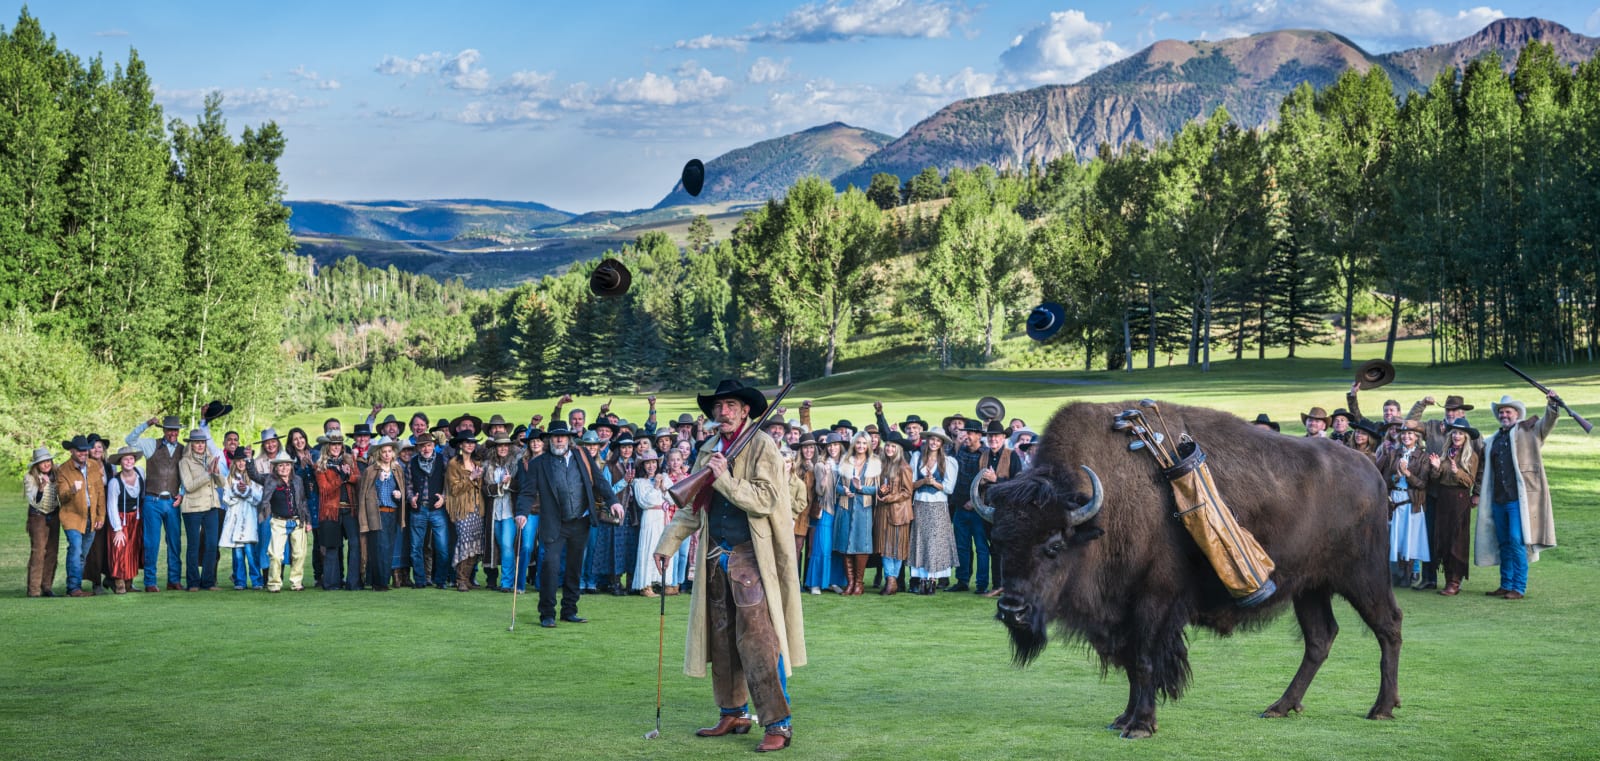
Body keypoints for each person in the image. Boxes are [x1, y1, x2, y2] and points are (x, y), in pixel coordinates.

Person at [652, 378, 805, 753]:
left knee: (760, 642)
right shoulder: (708, 448)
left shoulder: (762, 444)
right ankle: (733, 711)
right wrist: (667, 544)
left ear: (745, 410)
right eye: (719, 407)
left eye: (731, 406)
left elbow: (766, 499)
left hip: (753, 555)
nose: (723, 412)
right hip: (715, 556)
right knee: (720, 640)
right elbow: (692, 505)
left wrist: (725, 480)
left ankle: (778, 724)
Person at [514, 422, 608, 628]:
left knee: (574, 568)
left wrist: (615, 501)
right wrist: (521, 513)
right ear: (549, 439)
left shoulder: (581, 455)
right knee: (550, 567)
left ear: (568, 438)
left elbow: (600, 481)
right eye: (555, 437)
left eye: (563, 436)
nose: (559, 440)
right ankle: (547, 614)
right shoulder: (539, 463)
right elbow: (528, 492)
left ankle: (569, 611)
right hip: (554, 523)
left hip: (580, 521)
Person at [1475, 393, 1561, 600]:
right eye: (1501, 412)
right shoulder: (1493, 440)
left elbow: (1547, 422)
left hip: (1518, 500)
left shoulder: (1530, 431)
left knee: (1516, 540)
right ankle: (1505, 584)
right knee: (1503, 541)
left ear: (1516, 414)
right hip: (1498, 499)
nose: (1504, 415)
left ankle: (1518, 587)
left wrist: (1552, 404)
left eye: (1508, 411)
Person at [125, 415, 185, 592]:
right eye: (169, 430)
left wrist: (182, 493)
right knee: (151, 543)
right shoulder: (152, 444)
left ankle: (173, 580)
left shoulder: (183, 449)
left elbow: (189, 473)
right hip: (152, 500)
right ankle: (150, 582)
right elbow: (130, 440)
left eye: (175, 430)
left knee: (175, 542)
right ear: (164, 430)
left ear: (178, 431)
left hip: (173, 501)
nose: (172, 433)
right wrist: (147, 424)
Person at [1428, 419, 1481, 597]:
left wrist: (1456, 471)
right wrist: (1436, 468)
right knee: (1443, 537)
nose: (1457, 436)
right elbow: (1436, 478)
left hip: (1459, 498)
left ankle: (1455, 581)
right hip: (1444, 498)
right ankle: (1448, 578)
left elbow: (1469, 481)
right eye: (1454, 433)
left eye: (1460, 433)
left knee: (1456, 539)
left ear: (1465, 437)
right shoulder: (1445, 453)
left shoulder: (1471, 456)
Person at [1378, 420, 1432, 589]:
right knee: (1394, 537)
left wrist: (1407, 474)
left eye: (1410, 434)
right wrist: (1395, 477)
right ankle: (1394, 574)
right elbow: (1384, 479)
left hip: (1412, 502)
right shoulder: (1393, 453)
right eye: (1404, 433)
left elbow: (1423, 484)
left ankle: (1410, 574)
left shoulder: (1423, 457)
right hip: (1395, 500)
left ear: (1417, 437)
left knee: (1409, 538)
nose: (1406, 436)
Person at [906, 427, 959, 594]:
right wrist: (924, 482)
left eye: (938, 440)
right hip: (921, 503)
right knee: (921, 540)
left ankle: (933, 579)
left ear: (942, 443)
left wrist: (933, 482)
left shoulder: (949, 461)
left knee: (935, 542)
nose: (934, 442)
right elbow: (910, 484)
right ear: (927, 440)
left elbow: (949, 489)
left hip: (938, 504)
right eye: (932, 439)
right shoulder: (917, 457)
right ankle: (921, 578)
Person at [974, 420, 1023, 597]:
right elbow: (976, 482)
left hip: (1007, 509)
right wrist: (982, 484)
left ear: (1003, 437)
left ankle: (1007, 585)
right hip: (986, 508)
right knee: (993, 547)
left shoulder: (1013, 456)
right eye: (990, 436)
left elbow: (1018, 484)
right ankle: (997, 585)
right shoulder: (983, 456)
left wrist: (996, 481)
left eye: (996, 436)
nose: (993, 439)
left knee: (1006, 548)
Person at [56, 435, 107, 596]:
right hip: (72, 517)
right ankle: (73, 588)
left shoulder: (93, 466)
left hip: (91, 516)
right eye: (80, 451)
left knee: (82, 554)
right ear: (72, 451)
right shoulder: (64, 470)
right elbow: (62, 497)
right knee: (76, 550)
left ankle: (74, 586)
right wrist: (72, 490)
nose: (83, 454)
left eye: (85, 451)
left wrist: (100, 517)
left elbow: (100, 494)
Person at [177, 429, 226, 591]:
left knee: (212, 544)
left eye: (202, 442)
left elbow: (222, 484)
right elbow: (189, 486)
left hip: (212, 506)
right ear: (191, 444)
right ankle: (193, 582)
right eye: (197, 442)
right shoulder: (185, 462)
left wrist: (216, 472)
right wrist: (208, 473)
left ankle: (208, 581)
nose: (200, 445)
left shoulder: (211, 458)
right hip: (192, 508)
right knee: (194, 545)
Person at [314, 431, 362, 591]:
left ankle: (353, 582)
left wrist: (348, 476)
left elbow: (358, 479)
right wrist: (340, 476)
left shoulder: (350, 460)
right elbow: (324, 489)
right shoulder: (320, 465)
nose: (336, 447)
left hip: (350, 509)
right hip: (330, 511)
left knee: (355, 545)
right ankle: (331, 583)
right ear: (327, 446)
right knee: (332, 547)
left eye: (339, 444)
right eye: (333, 444)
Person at [358, 436, 407, 591]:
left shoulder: (397, 469)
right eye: (384, 451)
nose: (387, 454)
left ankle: (382, 581)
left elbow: (402, 490)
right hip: (377, 513)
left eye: (389, 451)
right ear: (379, 453)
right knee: (379, 547)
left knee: (388, 547)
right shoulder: (371, 470)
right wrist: (379, 480)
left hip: (392, 512)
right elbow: (365, 494)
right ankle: (378, 583)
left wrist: (400, 495)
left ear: (393, 453)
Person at [833, 431, 879, 596]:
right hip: (846, 506)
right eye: (858, 443)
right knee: (845, 544)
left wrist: (861, 489)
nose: (861, 446)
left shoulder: (874, 463)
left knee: (861, 545)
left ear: (868, 445)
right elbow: (836, 486)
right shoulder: (846, 461)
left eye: (864, 443)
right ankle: (850, 583)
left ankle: (859, 583)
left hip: (864, 508)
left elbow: (878, 490)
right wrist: (844, 490)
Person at [803, 433, 846, 595]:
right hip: (826, 509)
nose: (832, 448)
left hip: (841, 510)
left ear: (839, 446)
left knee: (836, 548)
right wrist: (826, 475)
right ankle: (815, 583)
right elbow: (820, 491)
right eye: (830, 445)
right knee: (822, 547)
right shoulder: (821, 465)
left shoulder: (845, 464)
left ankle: (833, 581)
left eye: (835, 445)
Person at [263, 450, 312, 592]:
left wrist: (308, 521)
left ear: (291, 466)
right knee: (276, 554)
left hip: (297, 521)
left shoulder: (297, 481)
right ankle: (274, 583)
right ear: (276, 468)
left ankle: (296, 582)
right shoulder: (270, 481)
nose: (284, 468)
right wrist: (248, 461)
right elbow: (254, 475)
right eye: (280, 466)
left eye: (287, 465)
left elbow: (303, 501)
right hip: (279, 521)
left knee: (299, 553)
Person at [948, 421, 987, 594]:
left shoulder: (985, 454)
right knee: (961, 546)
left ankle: (981, 583)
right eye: (965, 433)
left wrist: (975, 500)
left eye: (970, 433)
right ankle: (962, 580)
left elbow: (986, 482)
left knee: (980, 547)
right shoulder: (959, 451)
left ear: (979, 435)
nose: (967, 436)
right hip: (960, 506)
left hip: (979, 508)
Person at [874, 432, 914, 596]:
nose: (889, 448)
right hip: (883, 512)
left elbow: (907, 492)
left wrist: (889, 498)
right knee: (884, 547)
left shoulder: (904, 467)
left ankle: (891, 580)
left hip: (898, 512)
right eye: (888, 445)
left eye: (893, 446)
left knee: (897, 548)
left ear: (898, 449)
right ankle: (892, 580)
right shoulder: (883, 465)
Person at [407, 435, 450, 589]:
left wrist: (444, 497)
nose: (426, 449)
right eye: (422, 446)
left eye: (429, 445)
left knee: (442, 547)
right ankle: (420, 580)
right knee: (415, 548)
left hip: (437, 509)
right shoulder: (412, 462)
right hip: (419, 508)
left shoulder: (442, 460)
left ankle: (440, 580)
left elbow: (449, 483)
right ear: (418, 447)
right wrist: (411, 498)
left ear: (433, 446)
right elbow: (409, 485)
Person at [445, 432, 485, 591]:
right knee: (464, 541)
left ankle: (467, 579)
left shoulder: (478, 462)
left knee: (476, 543)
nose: (470, 445)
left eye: (472, 442)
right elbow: (454, 489)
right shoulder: (454, 464)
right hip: (462, 508)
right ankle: (460, 579)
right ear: (460, 445)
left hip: (478, 507)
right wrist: (471, 478)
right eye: (467, 442)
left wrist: (478, 478)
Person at [218, 447, 262, 590]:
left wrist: (247, 492)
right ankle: (240, 581)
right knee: (237, 554)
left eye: (244, 460)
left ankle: (256, 581)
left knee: (250, 553)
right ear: (234, 462)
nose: (241, 463)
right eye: (239, 461)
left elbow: (258, 499)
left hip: (249, 520)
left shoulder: (254, 478)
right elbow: (226, 499)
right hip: (235, 521)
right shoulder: (229, 479)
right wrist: (237, 492)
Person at [103, 446, 146, 594]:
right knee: (119, 549)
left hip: (136, 517)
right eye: (125, 459)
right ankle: (119, 582)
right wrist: (117, 529)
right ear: (120, 462)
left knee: (133, 550)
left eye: (131, 458)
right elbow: (111, 506)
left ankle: (129, 583)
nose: (129, 461)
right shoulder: (115, 482)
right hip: (120, 519)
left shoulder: (140, 473)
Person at [631, 448, 671, 596]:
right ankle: (645, 585)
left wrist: (662, 486)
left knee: (663, 547)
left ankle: (661, 582)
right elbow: (645, 502)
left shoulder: (665, 478)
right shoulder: (639, 482)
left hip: (663, 516)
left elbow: (672, 498)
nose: (651, 466)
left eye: (653, 462)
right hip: (649, 517)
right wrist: (656, 487)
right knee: (648, 548)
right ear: (643, 465)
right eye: (647, 463)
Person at [25, 447, 61, 597]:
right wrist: (41, 487)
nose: (46, 464)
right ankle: (34, 589)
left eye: (48, 461)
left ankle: (46, 586)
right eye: (42, 462)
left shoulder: (56, 474)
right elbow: (34, 501)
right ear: (36, 465)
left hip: (54, 515)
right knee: (38, 552)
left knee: (52, 552)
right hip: (37, 516)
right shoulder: (30, 477)